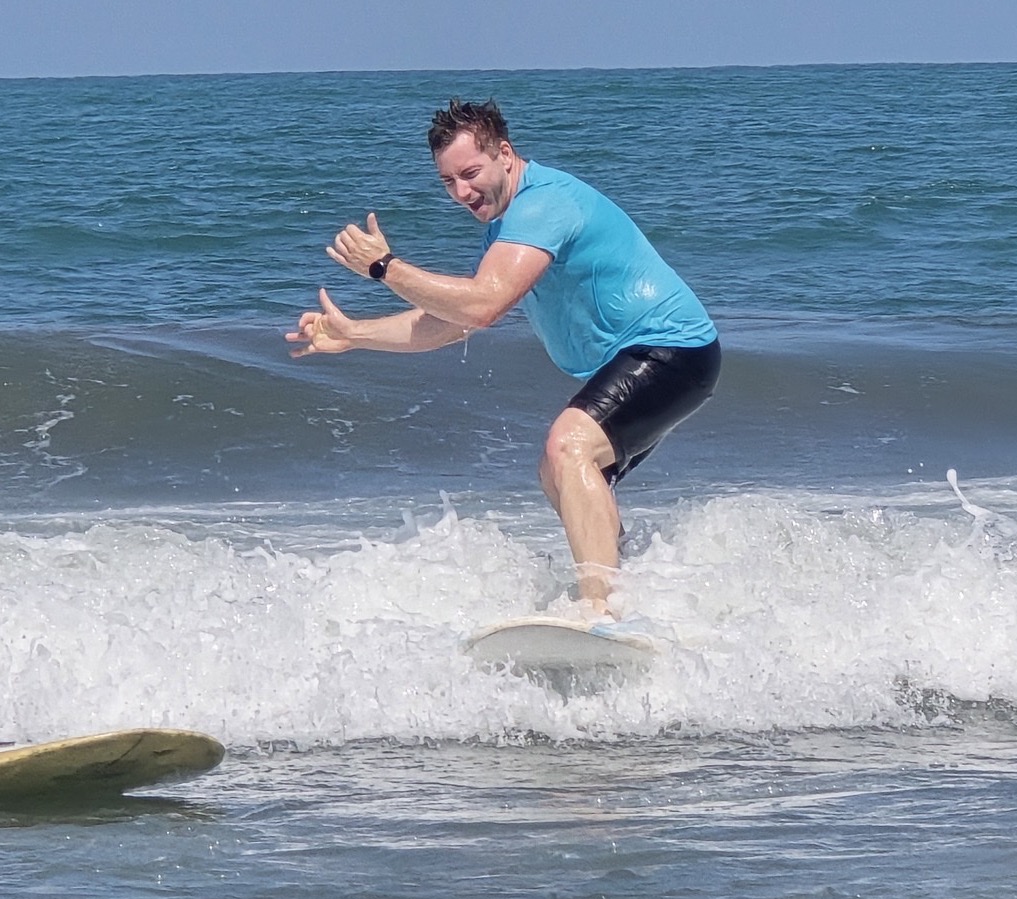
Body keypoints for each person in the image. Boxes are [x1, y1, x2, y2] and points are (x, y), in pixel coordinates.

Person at [288, 98, 720, 617]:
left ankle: (600, 611)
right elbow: (455, 320)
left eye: (470, 174)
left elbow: (483, 304)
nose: (461, 192)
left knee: (569, 447)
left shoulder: (543, 205)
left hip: (672, 349)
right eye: (448, 182)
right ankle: (628, 586)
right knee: (558, 471)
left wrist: (385, 267)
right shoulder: (506, 227)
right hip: (648, 356)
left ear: (505, 155)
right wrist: (355, 334)